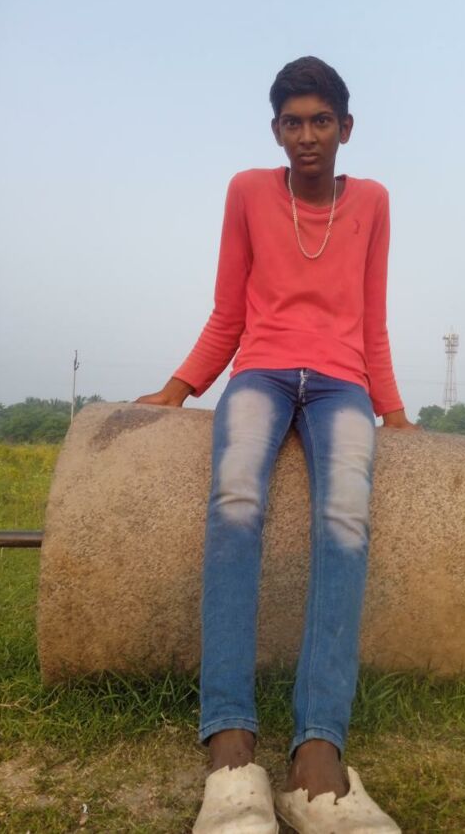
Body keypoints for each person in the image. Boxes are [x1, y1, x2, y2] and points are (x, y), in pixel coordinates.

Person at [137, 56, 416, 834]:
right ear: (275, 131)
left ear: (346, 128)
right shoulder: (248, 192)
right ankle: (230, 752)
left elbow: (371, 319)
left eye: (321, 120)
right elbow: (229, 312)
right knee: (234, 501)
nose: (307, 135)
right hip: (260, 371)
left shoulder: (373, 202)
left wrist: (394, 413)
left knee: (346, 517)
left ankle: (318, 758)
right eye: (292, 122)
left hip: (340, 381)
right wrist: (179, 388)